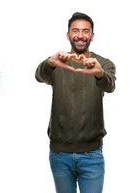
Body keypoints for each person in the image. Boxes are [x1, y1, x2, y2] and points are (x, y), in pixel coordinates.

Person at [35, 12, 116, 193]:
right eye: (76, 31)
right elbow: (39, 75)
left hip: (92, 155)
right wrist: (50, 62)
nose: (80, 35)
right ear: (68, 35)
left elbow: (110, 86)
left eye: (85, 31)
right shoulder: (58, 62)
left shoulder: (103, 63)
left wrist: (99, 73)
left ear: (92, 36)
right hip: (59, 155)